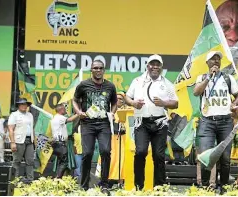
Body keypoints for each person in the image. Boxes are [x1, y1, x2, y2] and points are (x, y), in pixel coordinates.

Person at [125, 54, 178, 190]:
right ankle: (138, 186)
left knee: (159, 155)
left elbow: (175, 103)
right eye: (152, 64)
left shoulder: (166, 83)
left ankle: (159, 187)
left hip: (160, 124)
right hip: (141, 123)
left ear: (161, 67)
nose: (155, 67)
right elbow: (127, 97)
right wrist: (134, 103)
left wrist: (163, 103)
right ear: (147, 66)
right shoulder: (137, 81)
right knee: (141, 152)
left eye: (158, 64)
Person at [193, 51, 238, 193]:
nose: (216, 62)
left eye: (218, 59)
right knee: (206, 156)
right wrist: (208, 78)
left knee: (225, 158)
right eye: (212, 60)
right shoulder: (201, 77)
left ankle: (224, 188)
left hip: (225, 121)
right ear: (207, 63)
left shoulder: (228, 78)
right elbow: (196, 92)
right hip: (207, 122)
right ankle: (207, 189)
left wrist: (235, 104)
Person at [73, 59, 118, 192]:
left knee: (105, 151)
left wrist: (112, 113)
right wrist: (78, 112)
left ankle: (104, 184)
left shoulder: (110, 86)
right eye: (95, 68)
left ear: (104, 70)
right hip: (87, 124)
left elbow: (114, 102)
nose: (98, 70)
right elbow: (75, 100)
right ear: (91, 70)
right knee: (87, 153)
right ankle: (84, 185)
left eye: (100, 68)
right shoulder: (83, 85)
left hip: (104, 123)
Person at [8, 98, 35, 183]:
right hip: (18, 140)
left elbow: (32, 129)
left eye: (25, 104)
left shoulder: (30, 115)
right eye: (22, 104)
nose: (24, 106)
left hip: (29, 140)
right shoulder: (14, 115)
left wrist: (35, 141)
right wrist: (12, 142)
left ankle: (30, 179)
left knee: (30, 161)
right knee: (17, 161)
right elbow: (11, 129)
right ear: (18, 105)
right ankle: (14, 180)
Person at [51, 104, 79, 178]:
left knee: (60, 162)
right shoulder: (60, 118)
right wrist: (78, 113)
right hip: (60, 143)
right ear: (61, 110)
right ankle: (58, 178)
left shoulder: (55, 118)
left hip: (56, 143)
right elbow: (70, 120)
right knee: (64, 162)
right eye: (64, 109)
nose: (66, 110)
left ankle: (59, 178)